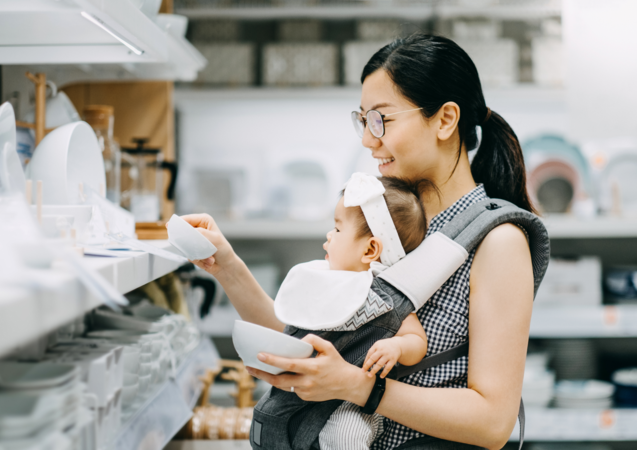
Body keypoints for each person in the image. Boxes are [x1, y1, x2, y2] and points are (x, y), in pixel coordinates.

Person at [184, 33, 538, 450]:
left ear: (445, 119)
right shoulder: (383, 221)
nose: (369, 140)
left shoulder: (499, 242)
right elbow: (306, 343)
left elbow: (493, 423)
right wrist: (225, 265)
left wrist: (359, 388)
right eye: (363, 120)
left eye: (381, 120)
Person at [267, 173, 429, 450]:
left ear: (370, 249)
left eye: (338, 230)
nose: (329, 235)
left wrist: (397, 347)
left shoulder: (386, 294)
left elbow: (417, 340)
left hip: (355, 404)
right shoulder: (324, 280)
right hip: (309, 396)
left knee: (344, 435)